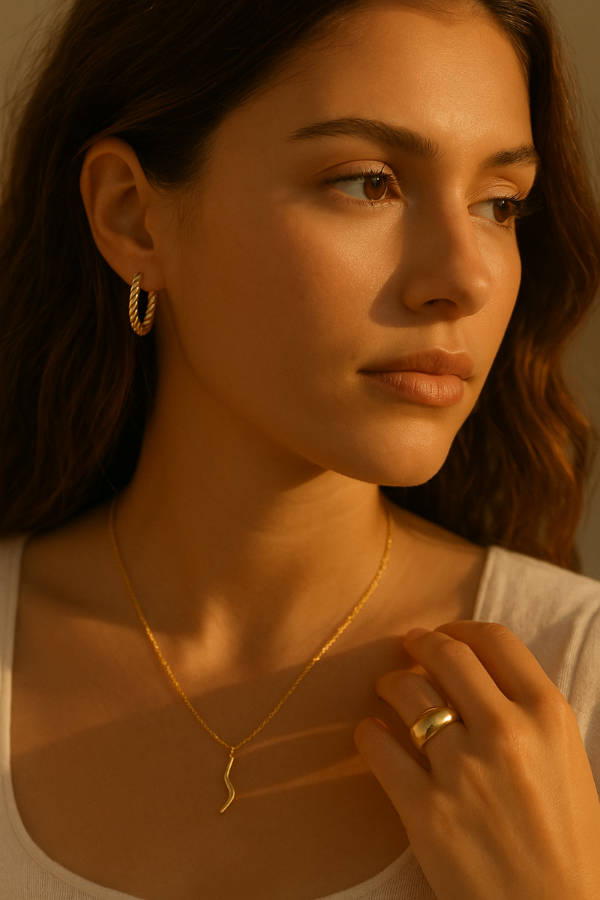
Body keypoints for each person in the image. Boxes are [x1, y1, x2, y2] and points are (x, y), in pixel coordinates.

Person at [0, 0, 599, 897]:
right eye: (368, 182)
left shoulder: (575, 674)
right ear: (133, 218)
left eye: (499, 203)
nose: (465, 277)